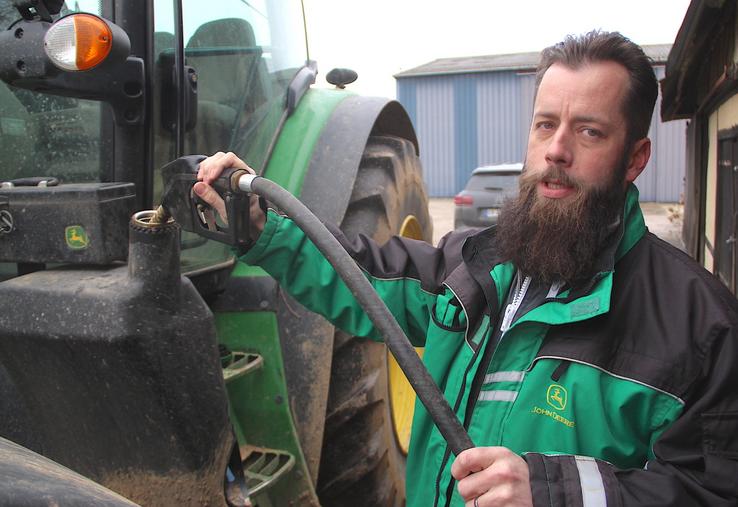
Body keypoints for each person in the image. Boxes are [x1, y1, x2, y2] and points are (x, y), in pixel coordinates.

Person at [194, 31, 738, 507]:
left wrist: (553, 491)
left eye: (589, 132)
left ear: (636, 158)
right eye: (545, 125)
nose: (556, 150)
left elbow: (712, 491)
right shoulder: (474, 264)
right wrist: (265, 226)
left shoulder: (701, 329)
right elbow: (361, 276)